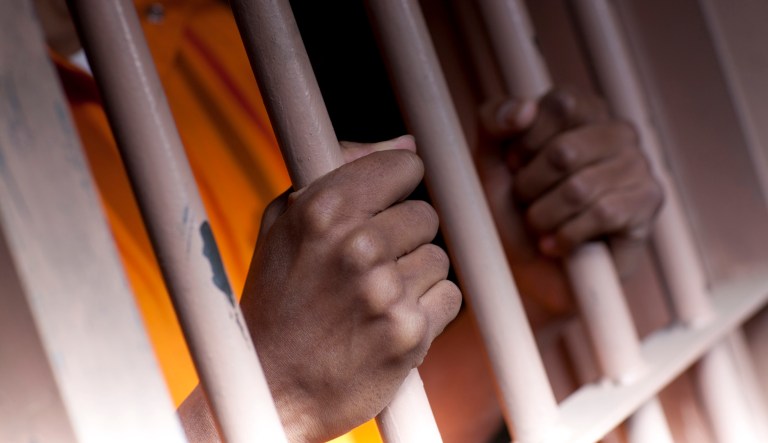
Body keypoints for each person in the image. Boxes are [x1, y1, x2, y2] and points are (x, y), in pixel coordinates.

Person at [36, 0, 662, 441]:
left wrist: (520, 288)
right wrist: (264, 403)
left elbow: (360, 427)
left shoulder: (222, 35)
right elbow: (299, 400)